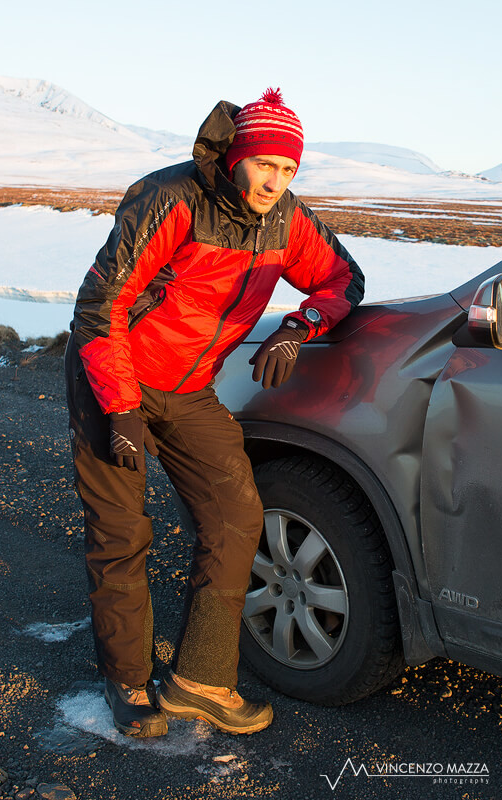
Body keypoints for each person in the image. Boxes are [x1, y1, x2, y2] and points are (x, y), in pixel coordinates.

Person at [65, 88, 364, 738]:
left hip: (189, 385)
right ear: (238, 156)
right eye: (265, 165)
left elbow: (343, 278)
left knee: (235, 514)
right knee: (122, 532)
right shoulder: (174, 199)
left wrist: (300, 325)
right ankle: (126, 683)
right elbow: (99, 306)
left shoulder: (287, 221)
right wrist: (119, 408)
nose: (274, 181)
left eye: (288, 171)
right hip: (113, 375)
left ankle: (200, 679)